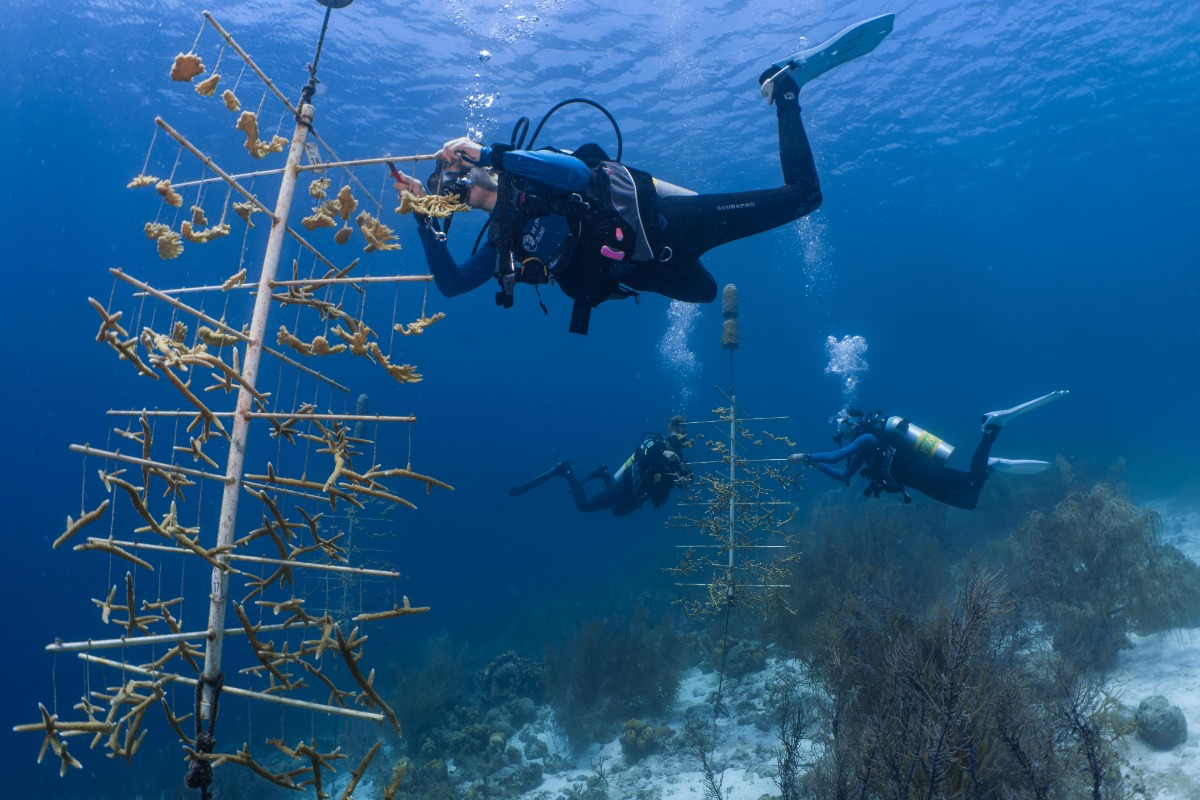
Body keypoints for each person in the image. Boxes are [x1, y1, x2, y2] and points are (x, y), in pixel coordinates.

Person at [394, 15, 895, 334]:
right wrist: (421, 216)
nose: (461, 184)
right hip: (647, 266)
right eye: (451, 188)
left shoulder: (529, 174)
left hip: (670, 223)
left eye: (460, 173)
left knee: (804, 199)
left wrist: (492, 153)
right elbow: (453, 284)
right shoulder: (500, 242)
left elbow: (573, 172)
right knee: (703, 293)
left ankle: (785, 87)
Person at [789, 391, 1069, 510]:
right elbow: (844, 476)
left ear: (851, 421)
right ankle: (989, 464)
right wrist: (815, 466)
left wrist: (807, 457)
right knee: (968, 503)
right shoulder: (862, 450)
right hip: (914, 482)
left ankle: (993, 427)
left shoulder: (865, 439)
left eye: (842, 422)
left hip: (917, 468)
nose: (840, 428)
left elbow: (838, 455)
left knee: (971, 482)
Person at [508, 416, 691, 516]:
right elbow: (640, 453)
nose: (676, 443)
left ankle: (605, 474)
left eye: (680, 440)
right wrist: (662, 453)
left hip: (637, 497)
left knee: (616, 512)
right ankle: (565, 469)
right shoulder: (655, 443)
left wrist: (684, 471)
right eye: (675, 437)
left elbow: (686, 481)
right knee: (584, 506)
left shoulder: (678, 459)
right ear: (669, 434)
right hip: (626, 488)